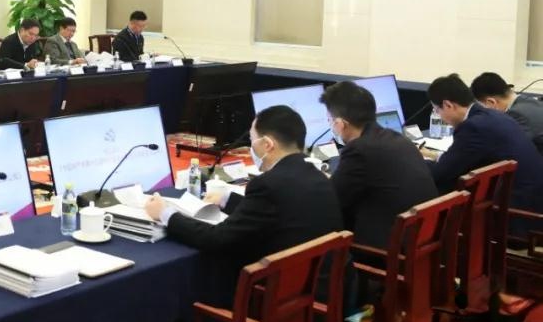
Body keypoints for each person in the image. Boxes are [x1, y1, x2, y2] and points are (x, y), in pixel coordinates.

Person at [145, 105, 343, 265]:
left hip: (278, 293)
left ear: (267, 144)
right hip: (327, 284)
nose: (250, 147)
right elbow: (275, 210)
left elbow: (217, 239)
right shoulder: (317, 176)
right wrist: (227, 199)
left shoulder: (267, 185)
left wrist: (166, 214)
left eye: (252, 139)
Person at [320, 82, 437, 250]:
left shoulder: (359, 149)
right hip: (421, 238)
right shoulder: (397, 138)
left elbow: (333, 199)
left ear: (340, 124)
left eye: (329, 120)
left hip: (388, 250)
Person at [427, 74, 543, 223]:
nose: (438, 115)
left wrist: (416, 161)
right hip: (532, 201)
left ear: (448, 105)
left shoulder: (474, 127)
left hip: (518, 214)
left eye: (437, 110)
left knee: (439, 191)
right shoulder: (494, 115)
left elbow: (441, 173)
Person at [470, 72, 543, 151]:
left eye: (483, 107)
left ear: (491, 102)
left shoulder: (516, 115)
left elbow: (503, 148)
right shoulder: (530, 101)